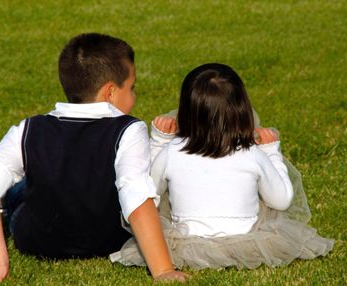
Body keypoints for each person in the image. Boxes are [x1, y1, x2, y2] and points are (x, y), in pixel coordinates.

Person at [0, 33, 187, 283]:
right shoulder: (129, 129)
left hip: (38, 241)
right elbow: (136, 197)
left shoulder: (29, 128)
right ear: (110, 92)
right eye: (132, 87)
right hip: (108, 239)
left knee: (17, 186)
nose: (135, 95)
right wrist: (162, 270)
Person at [110, 63, 334, 269]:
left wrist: (159, 142)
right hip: (246, 237)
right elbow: (282, 200)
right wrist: (271, 152)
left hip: (187, 240)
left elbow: (151, 192)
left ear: (185, 111)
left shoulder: (172, 152)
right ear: (242, 110)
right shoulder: (252, 153)